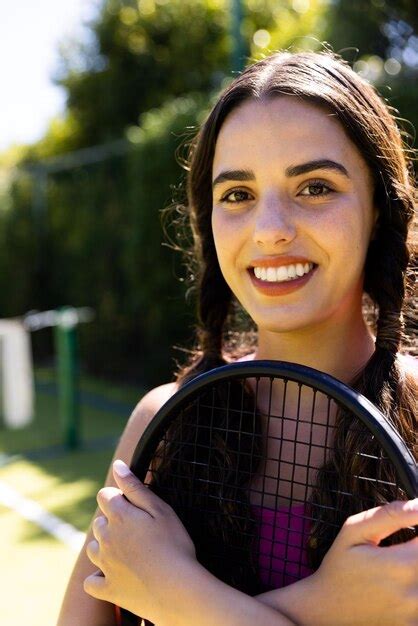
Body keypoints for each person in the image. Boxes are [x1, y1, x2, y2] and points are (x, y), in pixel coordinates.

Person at [57, 49, 417, 626]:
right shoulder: (163, 425)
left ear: (379, 209)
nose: (270, 230)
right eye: (238, 195)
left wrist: (172, 591)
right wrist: (321, 608)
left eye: (315, 186)